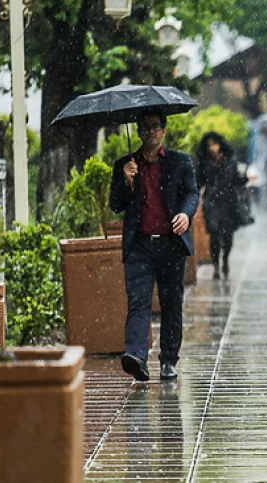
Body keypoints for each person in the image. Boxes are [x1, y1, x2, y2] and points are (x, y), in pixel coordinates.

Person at [109, 109, 199, 383]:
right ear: (138, 131)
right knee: (138, 302)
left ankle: (169, 359)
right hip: (140, 247)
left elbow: (191, 193)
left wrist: (185, 214)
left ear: (164, 131)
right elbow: (116, 205)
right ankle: (136, 356)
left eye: (155, 127)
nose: (150, 132)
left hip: (171, 245)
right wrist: (126, 181)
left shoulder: (180, 162)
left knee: (172, 304)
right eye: (145, 127)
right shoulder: (125, 164)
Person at [195, 132, 249, 280]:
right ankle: (216, 266)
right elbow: (198, 182)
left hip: (229, 203)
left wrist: (245, 178)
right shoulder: (204, 163)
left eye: (215, 144)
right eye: (210, 145)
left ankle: (225, 259)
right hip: (212, 204)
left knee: (228, 236)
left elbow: (236, 180)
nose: (213, 148)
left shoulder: (230, 161)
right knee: (214, 235)